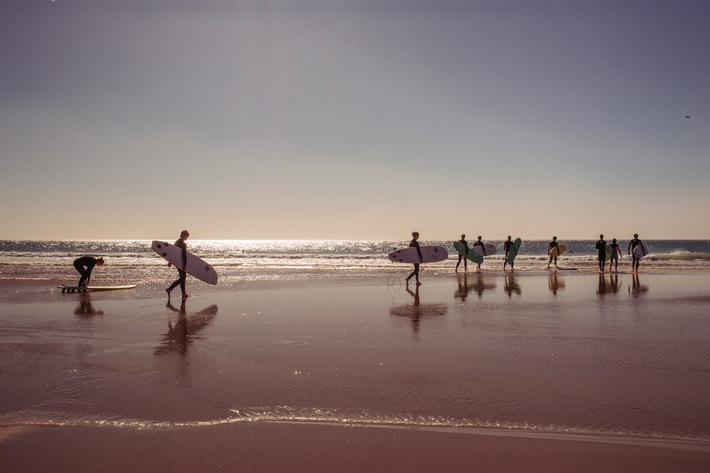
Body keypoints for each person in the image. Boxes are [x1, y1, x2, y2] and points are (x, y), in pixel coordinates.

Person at [166, 230, 190, 299]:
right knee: (182, 278)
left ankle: (183, 293)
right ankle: (169, 289)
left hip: (176, 262)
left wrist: (170, 261)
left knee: (182, 277)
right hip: (181, 263)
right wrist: (184, 265)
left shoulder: (176, 242)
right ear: (185, 236)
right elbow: (184, 255)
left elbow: (173, 253)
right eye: (187, 237)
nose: (187, 238)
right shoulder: (183, 244)